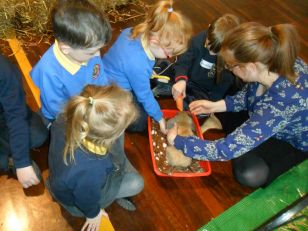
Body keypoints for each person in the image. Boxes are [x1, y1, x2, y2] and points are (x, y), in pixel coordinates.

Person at [31, 0, 143, 210]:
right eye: (92, 52)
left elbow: (100, 79)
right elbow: (59, 113)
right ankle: (112, 172)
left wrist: (109, 105)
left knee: (116, 131)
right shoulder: (49, 70)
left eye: (99, 50)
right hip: (66, 120)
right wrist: (92, 121)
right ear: (65, 48)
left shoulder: (88, 52)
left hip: (91, 112)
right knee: (113, 155)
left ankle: (113, 166)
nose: (97, 56)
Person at [167, 22, 308, 188]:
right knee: (230, 92)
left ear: (251, 66)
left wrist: (179, 142)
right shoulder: (270, 62)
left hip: (292, 141)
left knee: (247, 171)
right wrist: (218, 106)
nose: (228, 68)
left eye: (231, 65)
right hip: (269, 115)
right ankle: (234, 127)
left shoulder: (282, 103)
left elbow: (226, 150)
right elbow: (250, 93)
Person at [46, 84, 141, 231]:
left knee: (117, 153)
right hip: (77, 204)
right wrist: (94, 214)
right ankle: (112, 192)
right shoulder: (91, 168)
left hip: (64, 180)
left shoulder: (64, 117)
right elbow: (85, 198)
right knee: (136, 183)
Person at [103, 0, 192, 133]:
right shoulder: (137, 64)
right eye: (169, 54)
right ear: (154, 41)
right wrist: (160, 117)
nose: (169, 57)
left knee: (149, 90)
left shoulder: (133, 31)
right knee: (142, 122)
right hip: (111, 93)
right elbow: (144, 95)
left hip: (110, 76)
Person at [0, 53, 48, 188]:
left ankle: (11, 157)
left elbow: (15, 114)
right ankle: (8, 161)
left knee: (39, 135)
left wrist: (22, 162)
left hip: (4, 119)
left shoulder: (4, 70)